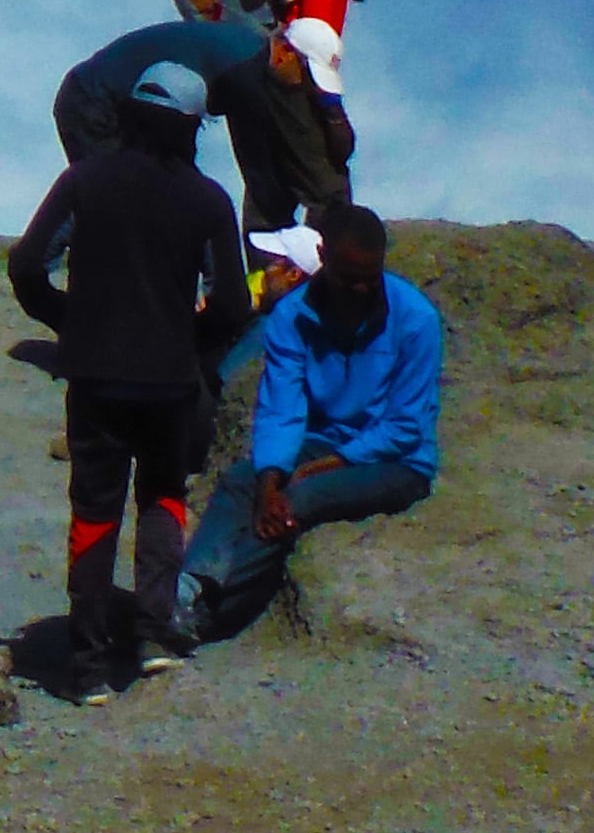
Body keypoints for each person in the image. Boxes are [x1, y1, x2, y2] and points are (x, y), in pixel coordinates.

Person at [6, 59, 254, 702]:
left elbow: (29, 266)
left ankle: (87, 667)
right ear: (193, 128)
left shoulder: (86, 180)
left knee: (93, 512)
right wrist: (185, 343)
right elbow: (231, 307)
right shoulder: (207, 201)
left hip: (95, 379)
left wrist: (70, 323)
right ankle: (150, 637)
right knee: (163, 500)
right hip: (171, 385)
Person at [172, 200, 443, 643]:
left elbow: (405, 426)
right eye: (348, 278)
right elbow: (282, 408)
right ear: (324, 256)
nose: (359, 289)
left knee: (295, 505)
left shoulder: (415, 320)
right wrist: (269, 479)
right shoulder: (291, 317)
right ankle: (188, 589)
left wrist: (320, 469)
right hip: (323, 439)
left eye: (368, 280)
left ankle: (211, 618)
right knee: (243, 483)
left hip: (397, 462)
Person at [47, 10, 277, 166]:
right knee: (108, 194)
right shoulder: (247, 71)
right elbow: (259, 161)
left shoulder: (248, 49)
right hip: (91, 100)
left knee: (145, 193)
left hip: (98, 95)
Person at [226, 18, 356, 232]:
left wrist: (334, 113)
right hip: (268, 201)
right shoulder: (238, 65)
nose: (314, 86)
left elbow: (334, 181)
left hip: (317, 196)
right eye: (310, 74)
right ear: (284, 52)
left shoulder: (318, 100)